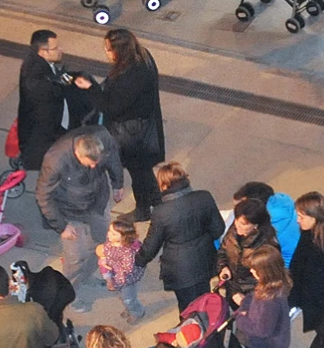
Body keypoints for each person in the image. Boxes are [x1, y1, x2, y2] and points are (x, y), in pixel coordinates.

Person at [39, 125, 123, 302]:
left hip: (98, 204)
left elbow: (113, 157)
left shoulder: (102, 136)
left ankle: (85, 276)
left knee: (100, 245)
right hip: (71, 213)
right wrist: (62, 226)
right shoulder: (56, 160)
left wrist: (118, 183)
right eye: (90, 163)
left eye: (97, 162)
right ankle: (69, 292)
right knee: (75, 257)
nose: (94, 166)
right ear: (78, 154)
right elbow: (43, 195)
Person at [93, 28, 166, 215]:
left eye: (109, 49)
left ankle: (143, 208)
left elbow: (113, 107)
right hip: (142, 125)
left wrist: (92, 92)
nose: (106, 52)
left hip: (132, 131)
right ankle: (156, 201)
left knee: (137, 169)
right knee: (143, 169)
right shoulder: (142, 58)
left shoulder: (131, 76)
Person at [137, 163, 222, 310]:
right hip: (205, 260)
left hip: (180, 268)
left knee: (187, 308)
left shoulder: (161, 212)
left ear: (163, 185)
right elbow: (218, 229)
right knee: (205, 299)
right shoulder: (204, 197)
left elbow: (152, 245)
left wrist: (139, 260)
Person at [16, 28, 91, 173]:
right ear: (43, 52)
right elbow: (48, 113)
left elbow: (58, 76)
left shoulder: (39, 64)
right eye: (55, 48)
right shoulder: (35, 79)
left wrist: (72, 79)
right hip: (47, 135)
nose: (60, 50)